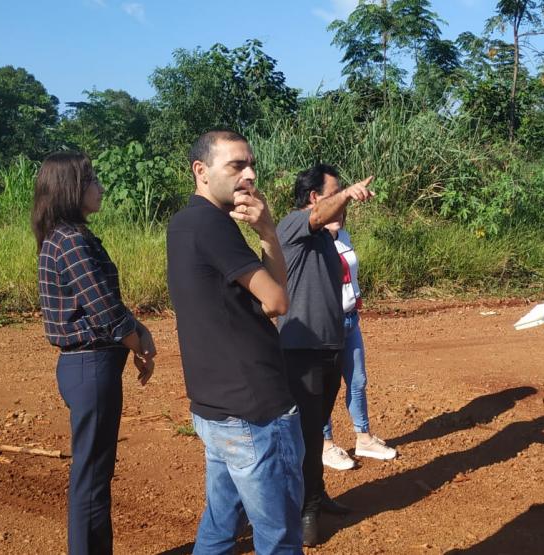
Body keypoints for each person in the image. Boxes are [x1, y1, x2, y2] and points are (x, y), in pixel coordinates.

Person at [167, 130, 304, 554]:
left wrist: (263, 234)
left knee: (219, 527)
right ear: (201, 172)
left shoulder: (183, 222)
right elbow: (279, 299)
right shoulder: (213, 225)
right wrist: (267, 230)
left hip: (216, 409)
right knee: (278, 536)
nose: (250, 174)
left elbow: (258, 303)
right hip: (253, 410)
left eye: (251, 164)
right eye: (236, 165)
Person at [32, 151, 156, 555]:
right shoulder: (71, 239)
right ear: (72, 189)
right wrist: (137, 343)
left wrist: (138, 328)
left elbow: (101, 301)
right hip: (91, 367)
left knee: (94, 473)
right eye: (93, 181)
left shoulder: (63, 235)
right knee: (92, 477)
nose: (100, 188)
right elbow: (103, 310)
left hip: (85, 366)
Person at [277, 164, 375, 546]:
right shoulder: (292, 224)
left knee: (316, 427)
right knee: (302, 433)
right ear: (316, 197)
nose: (345, 200)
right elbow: (317, 216)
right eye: (336, 191)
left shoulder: (327, 239)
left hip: (329, 346)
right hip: (301, 349)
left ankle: (315, 496)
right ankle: (305, 511)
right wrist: (347, 193)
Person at [320, 216, 397, 471]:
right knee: (323, 387)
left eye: (342, 208)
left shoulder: (344, 236)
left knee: (357, 381)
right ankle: (326, 445)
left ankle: (363, 438)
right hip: (325, 325)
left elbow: (350, 275)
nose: (338, 215)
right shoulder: (311, 242)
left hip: (351, 319)